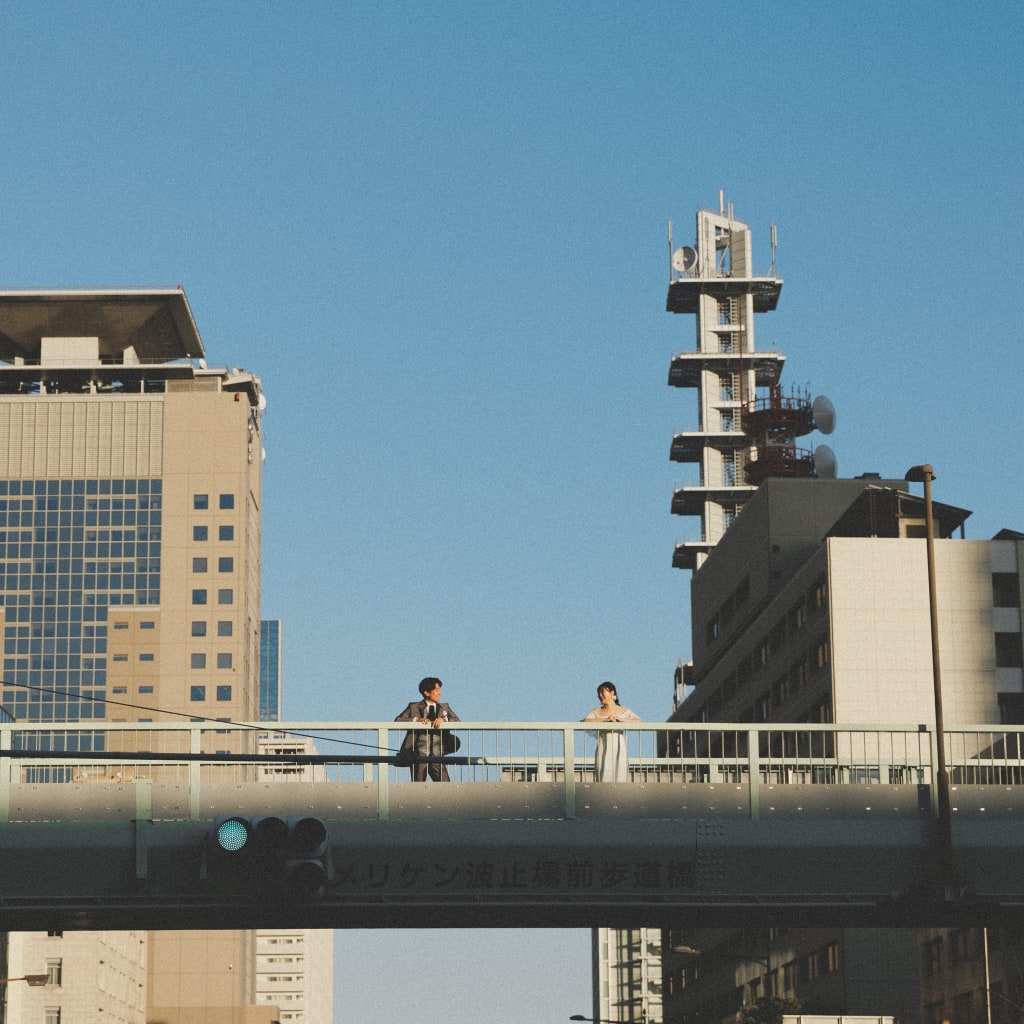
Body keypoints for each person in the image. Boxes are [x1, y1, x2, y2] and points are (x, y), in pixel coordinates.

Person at [394, 677, 461, 782]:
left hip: (437, 753)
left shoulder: (444, 707)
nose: (440, 693)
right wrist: (416, 720)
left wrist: (444, 720)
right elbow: (398, 720)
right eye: (437, 690)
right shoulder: (414, 707)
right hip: (418, 754)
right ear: (427, 692)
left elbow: (457, 721)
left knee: (446, 786)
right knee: (418, 786)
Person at [582, 681, 640, 783]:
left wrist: (620, 720)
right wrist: (605, 720)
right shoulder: (597, 711)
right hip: (603, 747)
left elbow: (638, 721)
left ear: (612, 692)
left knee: (620, 773)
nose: (600, 695)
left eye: (602, 692)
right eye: (599, 693)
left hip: (619, 747)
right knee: (603, 772)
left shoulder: (623, 710)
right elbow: (586, 721)